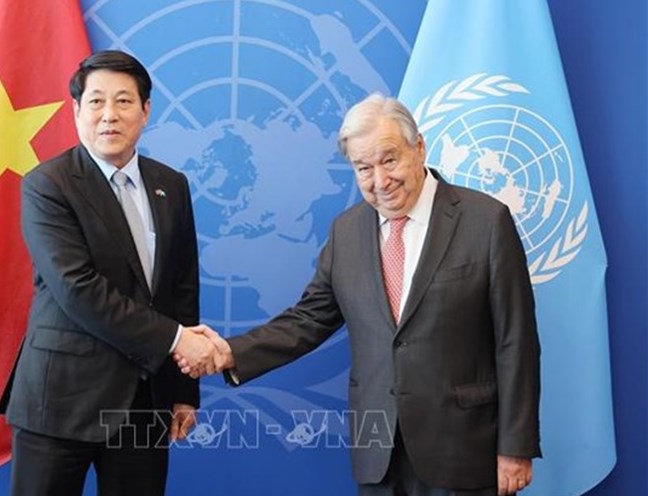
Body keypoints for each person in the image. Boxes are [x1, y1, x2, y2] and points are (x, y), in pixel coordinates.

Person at [177, 94, 541, 496]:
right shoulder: (346, 232)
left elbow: (516, 341)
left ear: (419, 147)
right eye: (363, 167)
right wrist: (230, 352)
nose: (379, 180)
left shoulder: (486, 221)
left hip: (464, 448)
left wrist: (515, 446)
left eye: (389, 160)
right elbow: (308, 319)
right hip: (379, 453)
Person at [0, 50, 218, 496]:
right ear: (77, 111)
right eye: (95, 102)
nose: (109, 115)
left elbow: (180, 288)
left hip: (144, 400)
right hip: (60, 399)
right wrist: (179, 341)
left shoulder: (170, 185)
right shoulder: (47, 185)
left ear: (145, 110)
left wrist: (182, 389)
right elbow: (78, 290)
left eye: (123, 101)